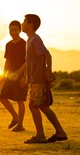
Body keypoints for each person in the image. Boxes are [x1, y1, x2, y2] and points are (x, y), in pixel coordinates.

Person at [20, 14, 68, 143]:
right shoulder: (29, 40)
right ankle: (60, 132)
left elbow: (48, 55)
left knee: (34, 106)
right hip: (34, 79)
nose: (22, 23)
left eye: (24, 21)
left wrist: (48, 72)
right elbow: (30, 62)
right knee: (42, 106)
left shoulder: (35, 39)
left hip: (38, 79)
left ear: (30, 25)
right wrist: (25, 77)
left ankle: (41, 135)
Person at [0, 20, 27, 132]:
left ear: (19, 30)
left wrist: (25, 76)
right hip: (10, 75)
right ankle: (15, 117)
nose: (13, 32)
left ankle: (20, 125)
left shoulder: (24, 44)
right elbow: (7, 61)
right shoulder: (8, 45)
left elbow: (27, 61)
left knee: (20, 100)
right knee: (2, 97)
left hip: (20, 75)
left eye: (16, 30)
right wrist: (3, 74)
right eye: (11, 30)